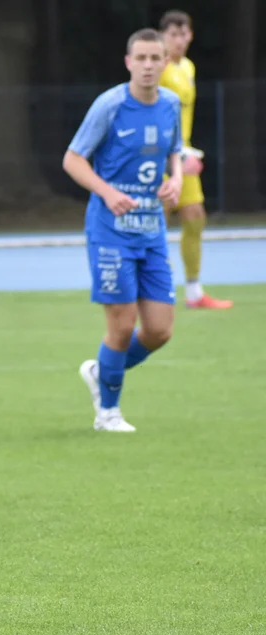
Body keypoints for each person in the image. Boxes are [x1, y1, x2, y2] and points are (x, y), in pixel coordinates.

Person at [64, 29, 183, 433]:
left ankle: (102, 371)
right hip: (110, 231)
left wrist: (176, 179)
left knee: (160, 329)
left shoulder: (170, 104)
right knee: (121, 323)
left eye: (155, 58)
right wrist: (108, 192)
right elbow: (73, 159)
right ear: (129, 62)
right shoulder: (111, 105)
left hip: (152, 230)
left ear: (165, 62)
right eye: (141, 58)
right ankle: (108, 413)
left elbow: (174, 151)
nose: (148, 65)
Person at [159, 10, 232, 310]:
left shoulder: (188, 66)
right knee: (156, 223)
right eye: (172, 34)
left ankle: (193, 292)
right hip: (161, 156)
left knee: (195, 217)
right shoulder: (159, 68)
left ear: (190, 35)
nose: (178, 40)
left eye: (183, 33)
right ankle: (157, 289)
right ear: (163, 36)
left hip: (183, 154)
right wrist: (174, 153)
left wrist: (185, 150)